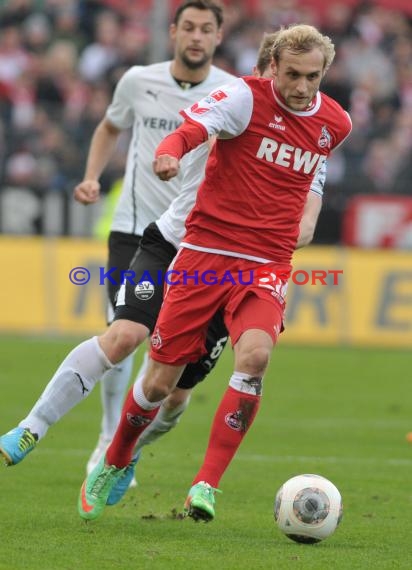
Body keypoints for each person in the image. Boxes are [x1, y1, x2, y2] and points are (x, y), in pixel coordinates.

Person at [0, 29, 324, 507]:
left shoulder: (292, 121)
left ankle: (127, 452)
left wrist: (295, 228)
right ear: (266, 73)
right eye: (280, 76)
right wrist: (127, 165)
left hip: (235, 262)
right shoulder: (230, 99)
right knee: (124, 336)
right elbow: (146, 129)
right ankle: (31, 428)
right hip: (170, 240)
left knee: (170, 394)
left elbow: (311, 180)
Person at [76, 23, 351, 523]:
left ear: (324, 74)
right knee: (159, 385)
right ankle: (116, 457)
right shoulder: (244, 97)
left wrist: (306, 219)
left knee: (256, 356)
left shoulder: (336, 122)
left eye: (313, 77)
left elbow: (313, 174)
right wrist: (169, 152)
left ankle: (206, 485)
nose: (302, 87)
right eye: (292, 74)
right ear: (273, 68)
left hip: (266, 264)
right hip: (204, 254)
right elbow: (194, 127)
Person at [75, 0, 234, 484]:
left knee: (168, 367)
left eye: (206, 29)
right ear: (173, 31)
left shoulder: (232, 93)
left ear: (218, 38)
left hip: (196, 238)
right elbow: (109, 127)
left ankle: (128, 444)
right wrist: (91, 177)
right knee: (124, 333)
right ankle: (107, 438)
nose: (196, 37)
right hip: (136, 228)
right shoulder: (138, 79)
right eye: (188, 27)